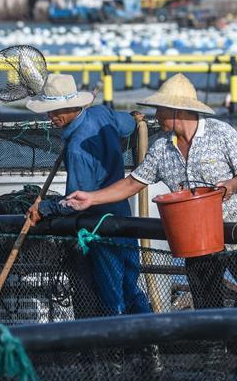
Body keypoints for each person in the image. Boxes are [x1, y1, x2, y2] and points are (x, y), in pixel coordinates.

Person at [65, 73, 237, 309]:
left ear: (177, 111)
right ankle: (214, 346)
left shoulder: (221, 132)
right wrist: (91, 198)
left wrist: (231, 185)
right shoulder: (162, 146)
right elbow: (133, 183)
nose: (156, 116)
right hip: (197, 241)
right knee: (207, 307)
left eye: (160, 110)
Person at [25, 73, 151, 316]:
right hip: (124, 218)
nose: (52, 117)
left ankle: (115, 348)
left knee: (111, 296)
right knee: (131, 288)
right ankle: (147, 346)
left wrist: (44, 209)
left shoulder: (76, 149)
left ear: (74, 106)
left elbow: (75, 202)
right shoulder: (102, 115)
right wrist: (135, 119)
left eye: (56, 111)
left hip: (99, 226)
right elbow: (129, 123)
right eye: (49, 111)